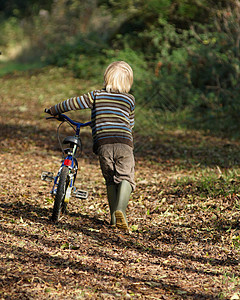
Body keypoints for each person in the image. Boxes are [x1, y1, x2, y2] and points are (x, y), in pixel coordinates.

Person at [46, 61, 135, 231]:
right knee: (125, 178)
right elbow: (130, 123)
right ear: (128, 82)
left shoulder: (96, 95)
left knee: (110, 180)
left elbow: (72, 103)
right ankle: (120, 211)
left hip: (103, 144)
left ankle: (112, 219)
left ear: (106, 78)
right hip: (124, 142)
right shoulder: (130, 99)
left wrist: (54, 110)